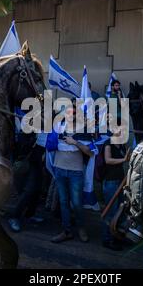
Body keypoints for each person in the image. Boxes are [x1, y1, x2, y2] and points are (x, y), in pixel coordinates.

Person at [51, 104, 94, 243]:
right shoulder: (58, 128)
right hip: (59, 169)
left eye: (73, 113)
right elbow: (50, 145)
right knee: (63, 202)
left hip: (76, 172)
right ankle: (66, 231)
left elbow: (90, 152)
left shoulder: (84, 131)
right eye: (68, 112)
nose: (70, 115)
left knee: (76, 203)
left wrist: (75, 142)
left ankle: (81, 228)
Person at [8, 132, 46, 232]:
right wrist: (35, 138)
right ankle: (14, 217)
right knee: (28, 191)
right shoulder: (28, 127)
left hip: (39, 163)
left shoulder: (48, 128)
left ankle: (30, 214)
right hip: (29, 163)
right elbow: (21, 145)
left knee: (37, 190)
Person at [102, 125, 130, 251]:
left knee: (119, 212)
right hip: (110, 182)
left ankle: (116, 236)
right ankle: (107, 239)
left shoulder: (122, 145)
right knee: (111, 212)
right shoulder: (109, 143)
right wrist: (123, 159)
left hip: (120, 182)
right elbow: (108, 160)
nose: (122, 131)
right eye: (120, 129)